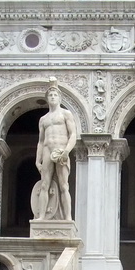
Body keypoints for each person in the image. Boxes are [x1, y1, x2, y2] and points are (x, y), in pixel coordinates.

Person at [34, 79, 78, 221]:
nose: (53, 97)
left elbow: (73, 135)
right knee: (44, 184)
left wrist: (66, 151)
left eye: (55, 95)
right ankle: (41, 216)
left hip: (61, 151)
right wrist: (37, 160)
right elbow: (41, 142)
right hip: (47, 150)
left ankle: (68, 217)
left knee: (64, 185)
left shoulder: (66, 114)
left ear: (59, 98)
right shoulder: (43, 119)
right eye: (50, 95)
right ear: (47, 99)